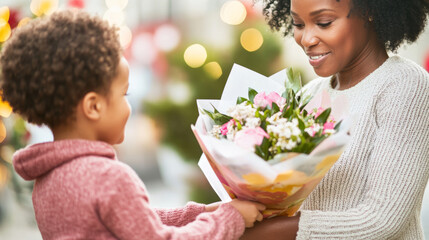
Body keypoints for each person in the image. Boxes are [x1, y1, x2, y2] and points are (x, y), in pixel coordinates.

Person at [0, 10, 266, 240]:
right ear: (93, 106)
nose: (129, 106)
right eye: (123, 95)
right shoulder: (108, 177)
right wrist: (228, 219)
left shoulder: (47, 181)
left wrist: (201, 213)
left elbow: (134, 220)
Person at [240, 0, 429, 239]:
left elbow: (382, 220)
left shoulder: (405, 85)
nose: (307, 39)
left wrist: (256, 232)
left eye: (323, 23)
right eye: (298, 24)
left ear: (369, 11)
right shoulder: (309, 94)